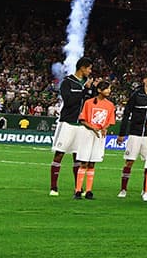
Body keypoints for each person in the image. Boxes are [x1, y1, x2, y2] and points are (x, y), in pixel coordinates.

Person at [50, 57, 95, 196]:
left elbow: (91, 103)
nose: (90, 71)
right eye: (89, 68)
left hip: (81, 125)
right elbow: (68, 101)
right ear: (82, 67)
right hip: (67, 123)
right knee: (59, 154)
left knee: (78, 157)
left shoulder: (88, 85)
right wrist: (84, 90)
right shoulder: (67, 82)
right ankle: (53, 187)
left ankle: (78, 188)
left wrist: (91, 90)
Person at [117, 71, 147, 198]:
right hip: (135, 134)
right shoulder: (136, 95)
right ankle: (123, 189)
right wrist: (122, 133)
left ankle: (145, 190)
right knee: (129, 162)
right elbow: (126, 114)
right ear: (145, 80)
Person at [72, 80, 114, 200]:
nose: (109, 91)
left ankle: (89, 191)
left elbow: (110, 121)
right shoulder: (89, 103)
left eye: (109, 88)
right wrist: (93, 128)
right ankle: (78, 190)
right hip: (87, 134)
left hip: (99, 135)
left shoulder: (110, 105)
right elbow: (83, 119)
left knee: (92, 163)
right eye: (107, 88)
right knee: (83, 162)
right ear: (100, 90)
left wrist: (105, 128)